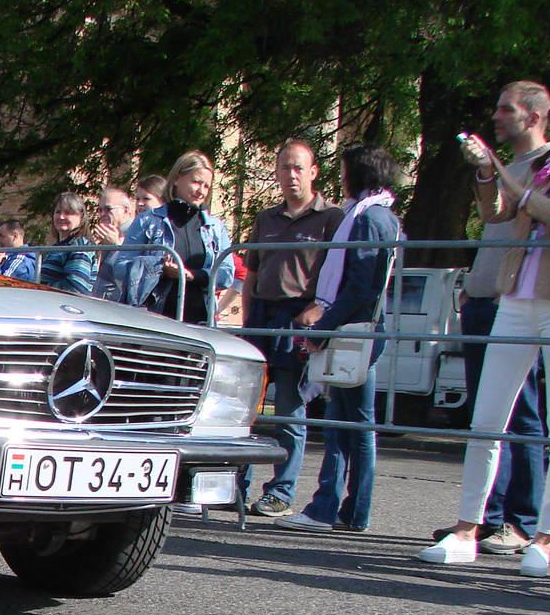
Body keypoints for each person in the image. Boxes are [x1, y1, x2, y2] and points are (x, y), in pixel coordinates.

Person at [420, 84, 550, 575]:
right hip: (515, 299)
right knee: (486, 417)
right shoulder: (542, 165)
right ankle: (468, 529)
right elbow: (495, 213)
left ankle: (545, 539)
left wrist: (524, 194)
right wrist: (489, 173)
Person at [445, 82, 550, 555]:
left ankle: (523, 520)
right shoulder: (504, 168)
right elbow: (491, 219)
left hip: (519, 302)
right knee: (487, 415)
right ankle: (486, 518)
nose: (495, 116)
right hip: (485, 299)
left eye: (505, 109)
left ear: (532, 116)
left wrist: (495, 168)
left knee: (523, 413)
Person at [276, 144, 404, 534]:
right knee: (352, 424)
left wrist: (325, 327)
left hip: (353, 331)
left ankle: (331, 508)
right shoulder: (381, 216)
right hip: (363, 327)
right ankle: (347, 509)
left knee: (347, 424)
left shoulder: (366, 219)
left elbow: (359, 286)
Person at [237, 140, 345, 517]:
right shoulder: (266, 218)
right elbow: (251, 273)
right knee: (245, 409)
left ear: (313, 172)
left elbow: (338, 274)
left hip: (298, 317)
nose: (291, 175)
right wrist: (249, 320)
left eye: (299, 167)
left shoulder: (331, 218)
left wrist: (317, 314)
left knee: (289, 410)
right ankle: (235, 485)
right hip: (262, 318)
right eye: (285, 167)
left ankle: (280, 492)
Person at [138, 151, 235, 324]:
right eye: (196, 182)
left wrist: (194, 276)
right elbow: (121, 267)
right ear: (176, 178)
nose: (201, 191)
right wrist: (158, 267)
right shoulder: (147, 221)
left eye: (206, 186)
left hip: (200, 321)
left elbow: (227, 274)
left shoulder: (215, 227)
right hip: (154, 318)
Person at [38, 192, 99, 294]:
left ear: (81, 217)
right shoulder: (59, 246)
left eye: (68, 212)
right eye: (58, 212)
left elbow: (75, 286)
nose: (61, 217)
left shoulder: (80, 245)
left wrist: (40, 288)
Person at [89, 187, 137, 300]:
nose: (102, 214)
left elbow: (133, 276)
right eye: (100, 210)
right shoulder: (110, 232)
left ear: (125, 211)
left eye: (108, 209)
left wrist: (116, 247)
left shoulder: (136, 234)